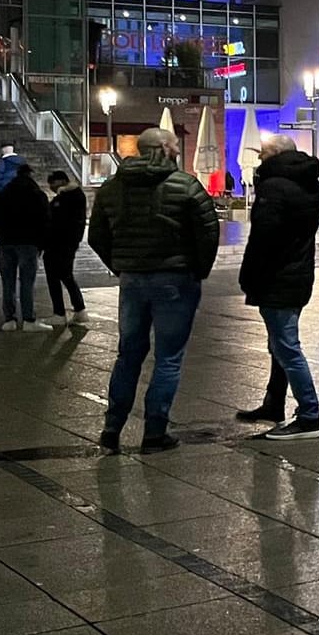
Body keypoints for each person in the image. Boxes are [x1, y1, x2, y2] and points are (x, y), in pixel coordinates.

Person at [90, 127, 221, 452]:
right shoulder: (185, 184)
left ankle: (111, 430)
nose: (178, 148)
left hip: (133, 280)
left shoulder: (112, 187)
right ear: (164, 148)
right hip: (175, 279)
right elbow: (207, 231)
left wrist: (122, 264)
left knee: (128, 355)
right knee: (168, 358)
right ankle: (154, 433)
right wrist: (197, 269)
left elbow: (96, 235)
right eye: (175, 144)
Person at [234, 134, 319, 439]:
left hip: (277, 277)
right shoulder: (309, 183)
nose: (259, 159)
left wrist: (249, 276)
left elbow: (263, 238)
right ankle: (274, 402)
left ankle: (309, 414)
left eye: (263, 155)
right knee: (279, 344)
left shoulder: (274, 187)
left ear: (273, 156)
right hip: (298, 273)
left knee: (286, 347)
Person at [0, 163, 50, 329]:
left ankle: (9, 319)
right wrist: (42, 244)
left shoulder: (2, 195)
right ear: (30, 175)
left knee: (7, 282)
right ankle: (29, 319)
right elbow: (45, 221)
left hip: (7, 242)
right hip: (29, 243)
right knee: (27, 282)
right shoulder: (37, 195)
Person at [44, 169, 87, 322]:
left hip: (60, 243)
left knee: (56, 276)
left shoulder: (67, 197)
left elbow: (56, 219)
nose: (51, 187)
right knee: (66, 275)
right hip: (68, 242)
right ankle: (79, 309)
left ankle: (60, 312)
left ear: (61, 181)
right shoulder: (74, 195)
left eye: (52, 183)